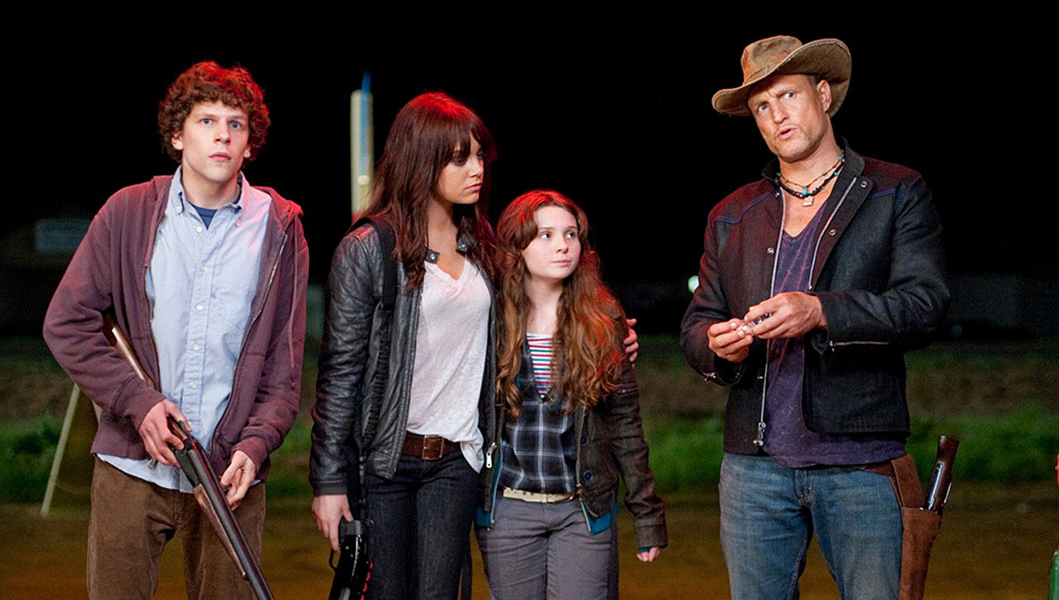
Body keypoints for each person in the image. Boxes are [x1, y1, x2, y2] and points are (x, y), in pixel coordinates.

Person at [679, 36, 949, 600]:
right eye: (762, 106)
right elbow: (697, 325)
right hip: (753, 472)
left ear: (823, 95)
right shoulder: (732, 214)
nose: (777, 115)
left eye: (789, 96)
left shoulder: (896, 191)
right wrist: (718, 346)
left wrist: (821, 310)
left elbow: (925, 306)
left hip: (860, 464)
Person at [43, 61, 307, 600]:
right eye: (207, 120)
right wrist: (138, 403)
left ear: (250, 144)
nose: (222, 135)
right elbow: (67, 323)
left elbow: (283, 375)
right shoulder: (127, 212)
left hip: (229, 477)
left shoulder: (280, 228)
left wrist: (255, 446)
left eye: (236, 124)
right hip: (131, 468)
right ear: (177, 136)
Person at [309, 91, 501, 599]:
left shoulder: (483, 248)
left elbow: (529, 318)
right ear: (421, 160)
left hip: (457, 460)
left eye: (478, 155)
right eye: (459, 158)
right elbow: (340, 372)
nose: (476, 168)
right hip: (385, 464)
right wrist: (329, 482)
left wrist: (609, 333)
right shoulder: (368, 248)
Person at [476, 190, 667, 599]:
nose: (563, 245)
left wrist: (646, 513)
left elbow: (625, 423)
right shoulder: (490, 318)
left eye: (571, 234)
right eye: (545, 235)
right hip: (509, 508)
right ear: (517, 246)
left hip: (581, 509)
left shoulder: (603, 319)